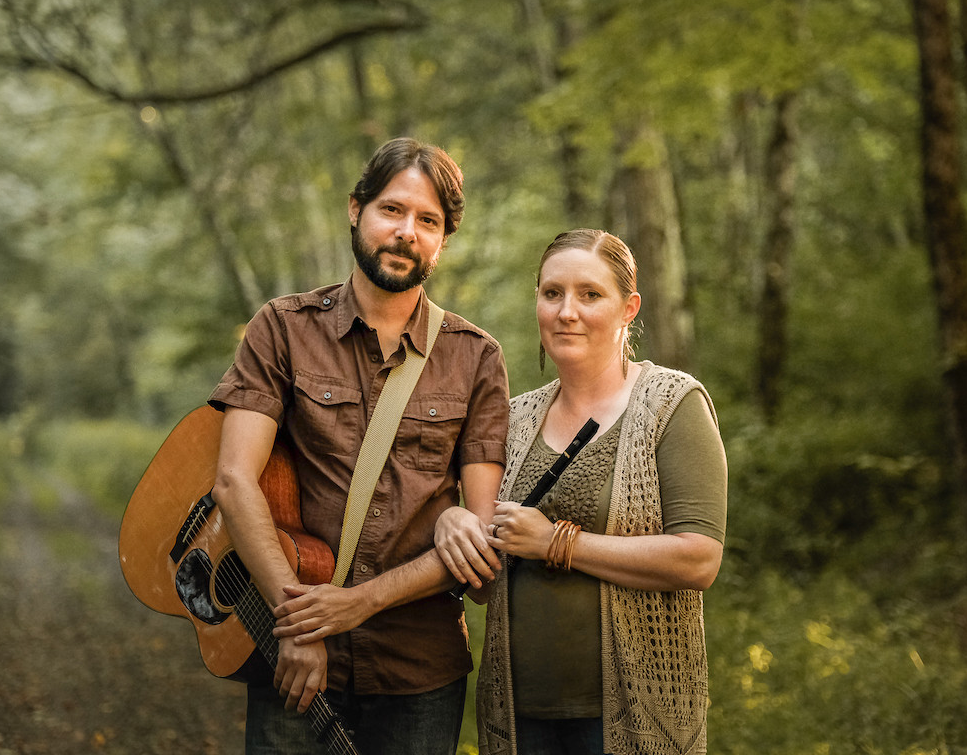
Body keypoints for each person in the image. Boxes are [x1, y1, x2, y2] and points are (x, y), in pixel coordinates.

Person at [208, 137, 508, 755]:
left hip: (419, 671)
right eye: (392, 210)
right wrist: (297, 626)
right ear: (355, 210)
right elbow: (234, 482)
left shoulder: (475, 358)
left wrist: (357, 604)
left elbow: (478, 541)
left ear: (443, 239)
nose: (407, 232)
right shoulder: (282, 329)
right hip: (290, 656)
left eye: (428, 221)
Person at [437, 228, 728, 755]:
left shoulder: (670, 403)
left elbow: (699, 560)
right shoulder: (513, 419)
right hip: (518, 715)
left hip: (635, 714)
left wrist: (557, 543)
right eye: (553, 294)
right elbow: (482, 582)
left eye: (590, 294)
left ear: (628, 308)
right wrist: (451, 523)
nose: (567, 311)